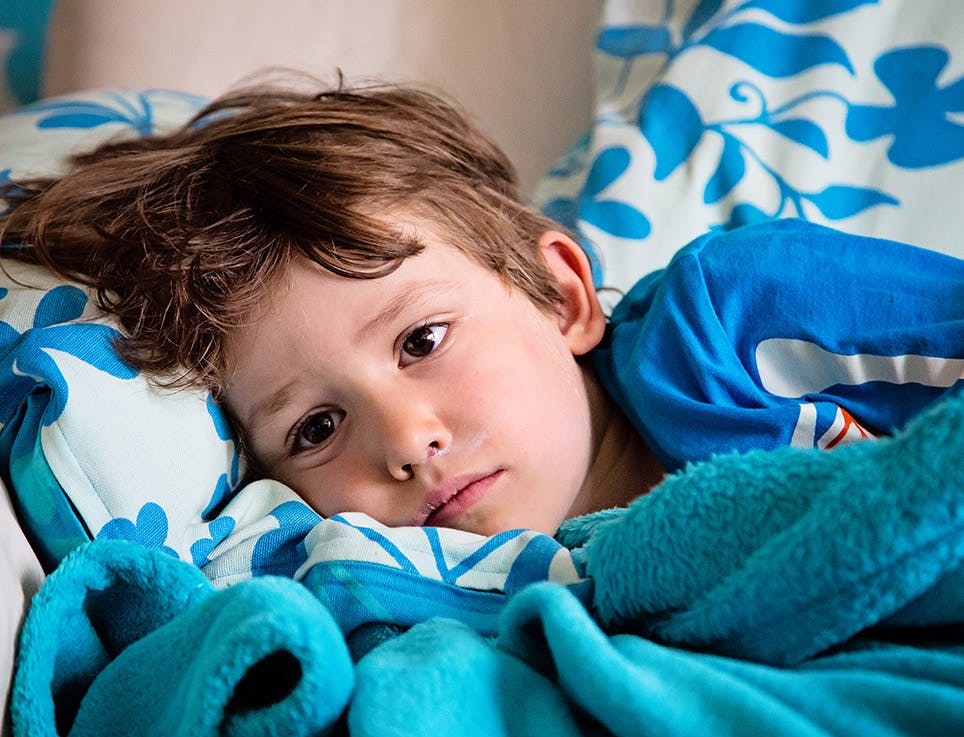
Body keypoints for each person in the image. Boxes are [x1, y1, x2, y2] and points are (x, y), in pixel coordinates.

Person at [2, 80, 962, 541]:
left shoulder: (734, 319)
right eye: (316, 426)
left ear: (562, 295)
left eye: (422, 339)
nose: (409, 442)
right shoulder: (397, 586)